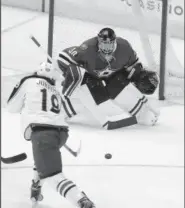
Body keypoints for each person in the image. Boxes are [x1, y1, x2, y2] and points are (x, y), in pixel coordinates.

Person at [6, 62, 96, 208]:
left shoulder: (29, 80)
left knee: (52, 175)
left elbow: (11, 106)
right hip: (60, 133)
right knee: (43, 159)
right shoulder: (55, 89)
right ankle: (36, 186)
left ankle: (81, 200)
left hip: (42, 133)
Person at [57, 27, 160, 128]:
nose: (106, 48)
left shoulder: (124, 47)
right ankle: (60, 111)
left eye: (109, 44)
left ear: (114, 42)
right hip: (91, 76)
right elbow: (63, 57)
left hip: (113, 74)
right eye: (103, 44)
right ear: (98, 42)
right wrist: (71, 73)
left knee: (119, 84)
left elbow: (134, 64)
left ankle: (143, 114)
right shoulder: (87, 48)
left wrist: (137, 76)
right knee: (93, 94)